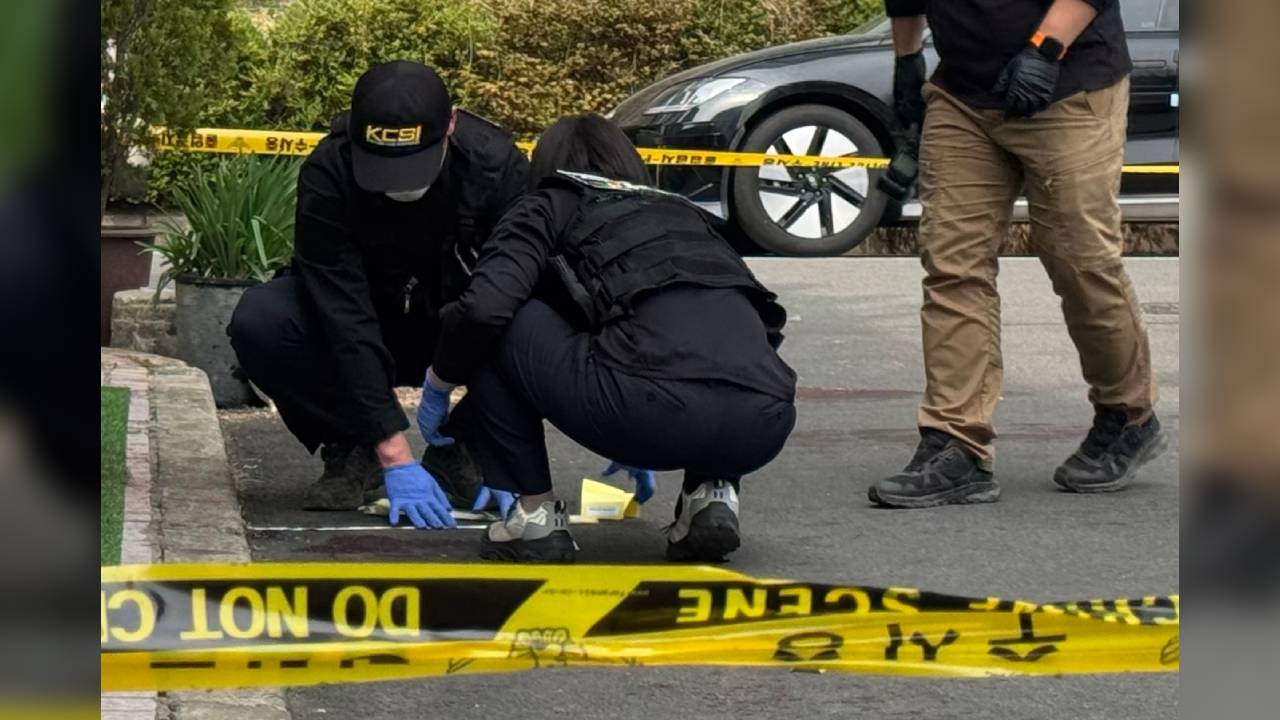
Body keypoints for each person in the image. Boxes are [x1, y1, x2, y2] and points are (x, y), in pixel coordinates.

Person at [417, 114, 798, 562]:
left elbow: (484, 309)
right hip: (764, 421)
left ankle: (533, 517)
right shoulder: (685, 214)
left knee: (498, 318)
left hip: (642, 409)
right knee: (718, 342)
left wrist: (439, 382)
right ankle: (711, 494)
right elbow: (763, 327)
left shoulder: (547, 205)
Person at [868, 0, 1166, 508]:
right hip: (962, 95)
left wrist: (1044, 48)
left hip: (1068, 85)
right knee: (952, 266)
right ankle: (955, 443)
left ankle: (1127, 415)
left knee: (1079, 263)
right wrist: (907, 60)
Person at [227, 61, 528, 525]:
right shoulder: (329, 170)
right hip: (366, 323)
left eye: (413, 164)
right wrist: (394, 453)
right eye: (384, 169)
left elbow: (508, 294)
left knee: (535, 319)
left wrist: (509, 445)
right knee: (262, 320)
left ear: (451, 124)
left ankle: (468, 448)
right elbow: (341, 314)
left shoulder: (499, 170)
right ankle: (356, 444)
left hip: (456, 327)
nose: (400, 184)